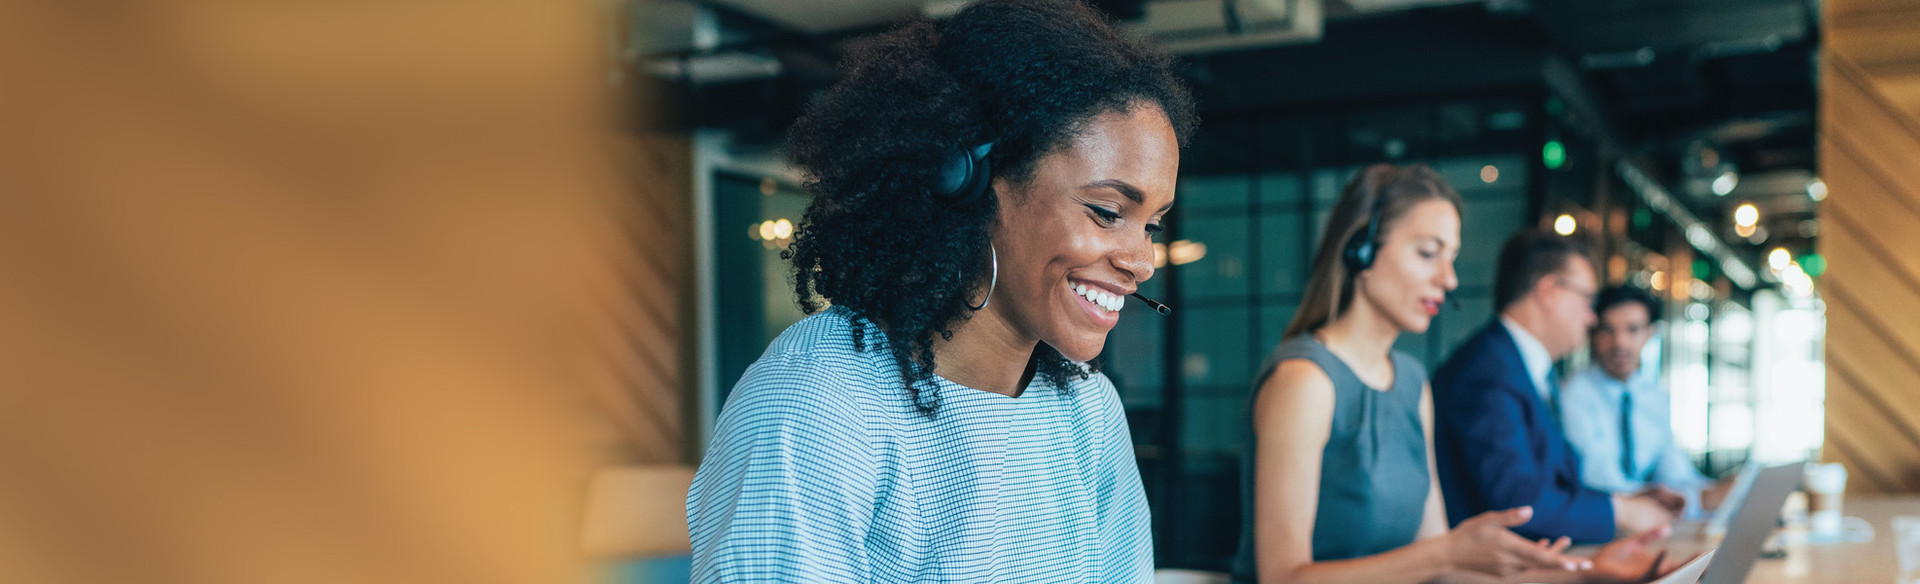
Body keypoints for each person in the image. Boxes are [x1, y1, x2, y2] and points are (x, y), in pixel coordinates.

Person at [683, 1, 1197, 581]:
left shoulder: (1088, 411)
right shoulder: (821, 404)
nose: (1141, 261)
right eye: (1106, 212)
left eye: (1151, 225)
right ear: (969, 185)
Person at [1232, 166, 1672, 584]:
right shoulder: (1305, 381)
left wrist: (1589, 569)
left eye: (1452, 258)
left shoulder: (1410, 382)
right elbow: (1283, 577)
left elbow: (1441, 570)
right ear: (1360, 250)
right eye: (1428, 253)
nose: (1449, 278)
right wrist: (1449, 551)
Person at [1433, 232, 1683, 546]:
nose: (1592, 318)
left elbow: (1551, 483)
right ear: (1549, 291)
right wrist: (1619, 511)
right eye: (1588, 300)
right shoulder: (1487, 372)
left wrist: (1629, 499)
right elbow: (1518, 504)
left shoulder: (1525, 368)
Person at [1557, 286, 1726, 514]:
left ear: (1651, 333)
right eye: (1607, 330)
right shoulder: (1572, 394)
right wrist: (1696, 499)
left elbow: (1673, 469)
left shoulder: (1654, 394)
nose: (1620, 342)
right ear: (1593, 333)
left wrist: (1715, 491)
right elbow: (1601, 482)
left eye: (1633, 329)